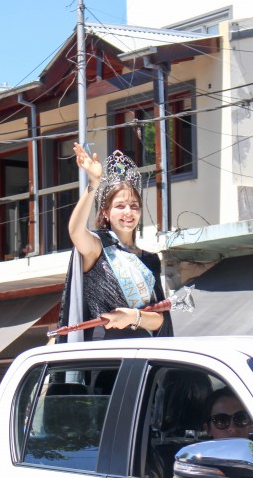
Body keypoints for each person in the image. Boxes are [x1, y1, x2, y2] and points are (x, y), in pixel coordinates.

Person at [56, 143, 173, 342]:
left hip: (143, 353)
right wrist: (94, 182)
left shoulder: (150, 260)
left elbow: (160, 320)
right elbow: (75, 231)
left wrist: (131, 317)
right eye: (120, 206)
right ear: (106, 212)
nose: (128, 212)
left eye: (134, 206)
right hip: (105, 355)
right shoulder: (98, 248)